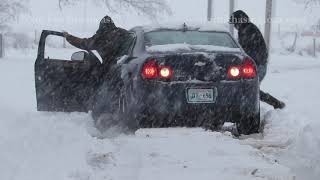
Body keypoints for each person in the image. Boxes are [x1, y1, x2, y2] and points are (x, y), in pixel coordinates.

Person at [229, 10, 285, 109]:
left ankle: (274, 104)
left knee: (251, 90)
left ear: (239, 21)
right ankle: (275, 103)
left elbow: (244, 50)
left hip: (258, 65)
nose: (234, 26)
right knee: (250, 89)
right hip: (255, 64)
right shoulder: (244, 30)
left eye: (235, 23)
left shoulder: (249, 30)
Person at [63, 15, 133, 70]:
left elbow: (84, 43)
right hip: (129, 66)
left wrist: (69, 37)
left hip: (108, 71)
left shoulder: (100, 37)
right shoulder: (124, 33)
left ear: (101, 26)